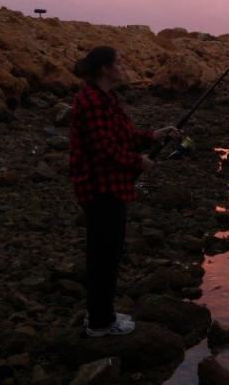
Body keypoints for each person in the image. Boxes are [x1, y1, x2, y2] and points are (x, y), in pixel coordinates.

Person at [69, 46, 180, 337]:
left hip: (111, 186)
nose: (123, 65)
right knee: (104, 255)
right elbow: (104, 149)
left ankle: (101, 314)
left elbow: (123, 137)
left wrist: (155, 135)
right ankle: (100, 323)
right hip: (100, 188)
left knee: (108, 252)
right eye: (119, 61)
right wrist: (139, 162)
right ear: (106, 69)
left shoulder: (106, 98)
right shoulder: (92, 101)